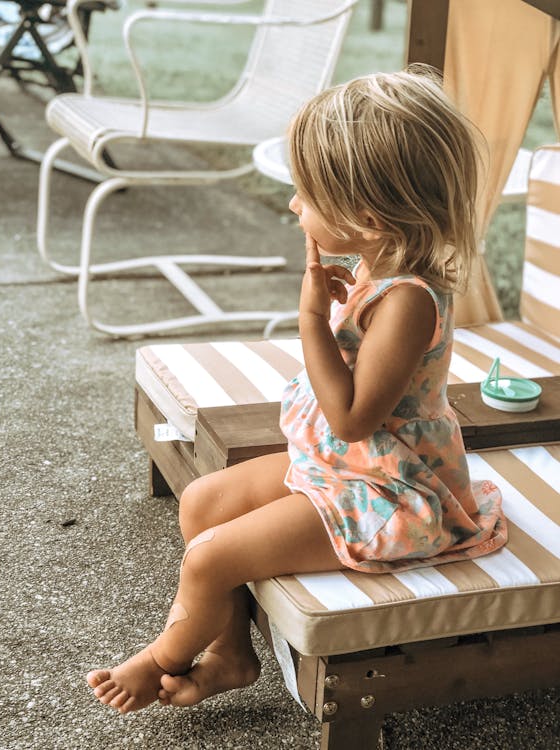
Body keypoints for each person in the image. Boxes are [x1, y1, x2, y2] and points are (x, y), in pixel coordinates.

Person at [86, 68, 507, 714]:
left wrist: (311, 317)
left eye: (306, 196)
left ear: (367, 218)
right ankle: (231, 652)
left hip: (385, 490)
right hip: (344, 469)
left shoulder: (409, 303)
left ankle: (162, 657)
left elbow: (352, 418)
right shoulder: (378, 262)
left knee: (206, 561)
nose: (293, 207)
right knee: (200, 503)